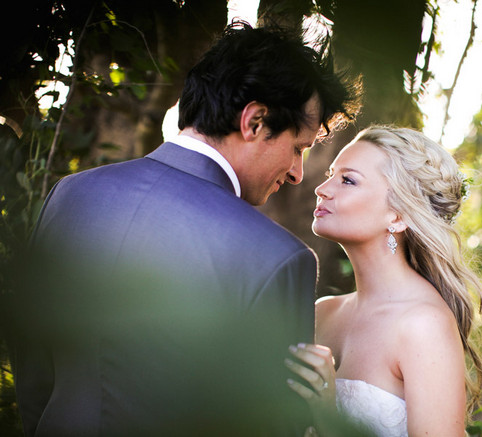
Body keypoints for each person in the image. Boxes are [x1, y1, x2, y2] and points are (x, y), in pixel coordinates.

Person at [14, 20, 359, 436]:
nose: (297, 173)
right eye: (297, 148)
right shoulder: (277, 258)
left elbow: (33, 365)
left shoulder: (69, 195)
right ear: (254, 122)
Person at [285, 126, 482, 437]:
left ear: (397, 215)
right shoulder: (322, 312)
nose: (321, 188)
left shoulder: (423, 324)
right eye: (330, 174)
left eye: (347, 180)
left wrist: (328, 417)